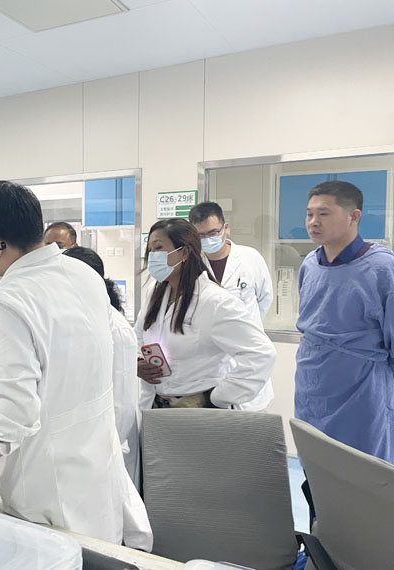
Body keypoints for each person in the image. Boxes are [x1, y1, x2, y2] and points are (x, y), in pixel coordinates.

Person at [0, 181, 152, 551]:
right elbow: (66, 371)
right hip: (95, 470)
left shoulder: (7, 300)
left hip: (47, 488)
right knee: (97, 554)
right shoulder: (83, 275)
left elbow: (14, 415)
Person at [295, 180, 394, 463]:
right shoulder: (310, 264)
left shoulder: (382, 268)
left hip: (362, 387)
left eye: (323, 213)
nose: (313, 222)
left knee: (362, 468)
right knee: (314, 463)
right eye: (309, 214)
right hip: (312, 381)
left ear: (354, 216)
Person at [135, 218, 275, 410]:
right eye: (150, 250)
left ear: (184, 252)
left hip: (200, 409)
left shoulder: (215, 301)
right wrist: (138, 363)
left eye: (158, 248)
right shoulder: (155, 292)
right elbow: (138, 336)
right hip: (155, 404)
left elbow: (261, 353)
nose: (152, 256)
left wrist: (217, 398)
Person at [63, 246, 140, 489]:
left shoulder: (116, 329)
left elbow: (122, 406)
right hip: (82, 448)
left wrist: (101, 450)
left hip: (105, 452)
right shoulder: (81, 319)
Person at [188, 201, 275, 411]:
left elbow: (265, 298)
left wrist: (242, 329)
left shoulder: (250, 258)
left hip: (246, 358)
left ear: (225, 228)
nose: (207, 239)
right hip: (209, 367)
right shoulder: (191, 264)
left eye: (213, 232)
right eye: (200, 235)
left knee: (250, 427)